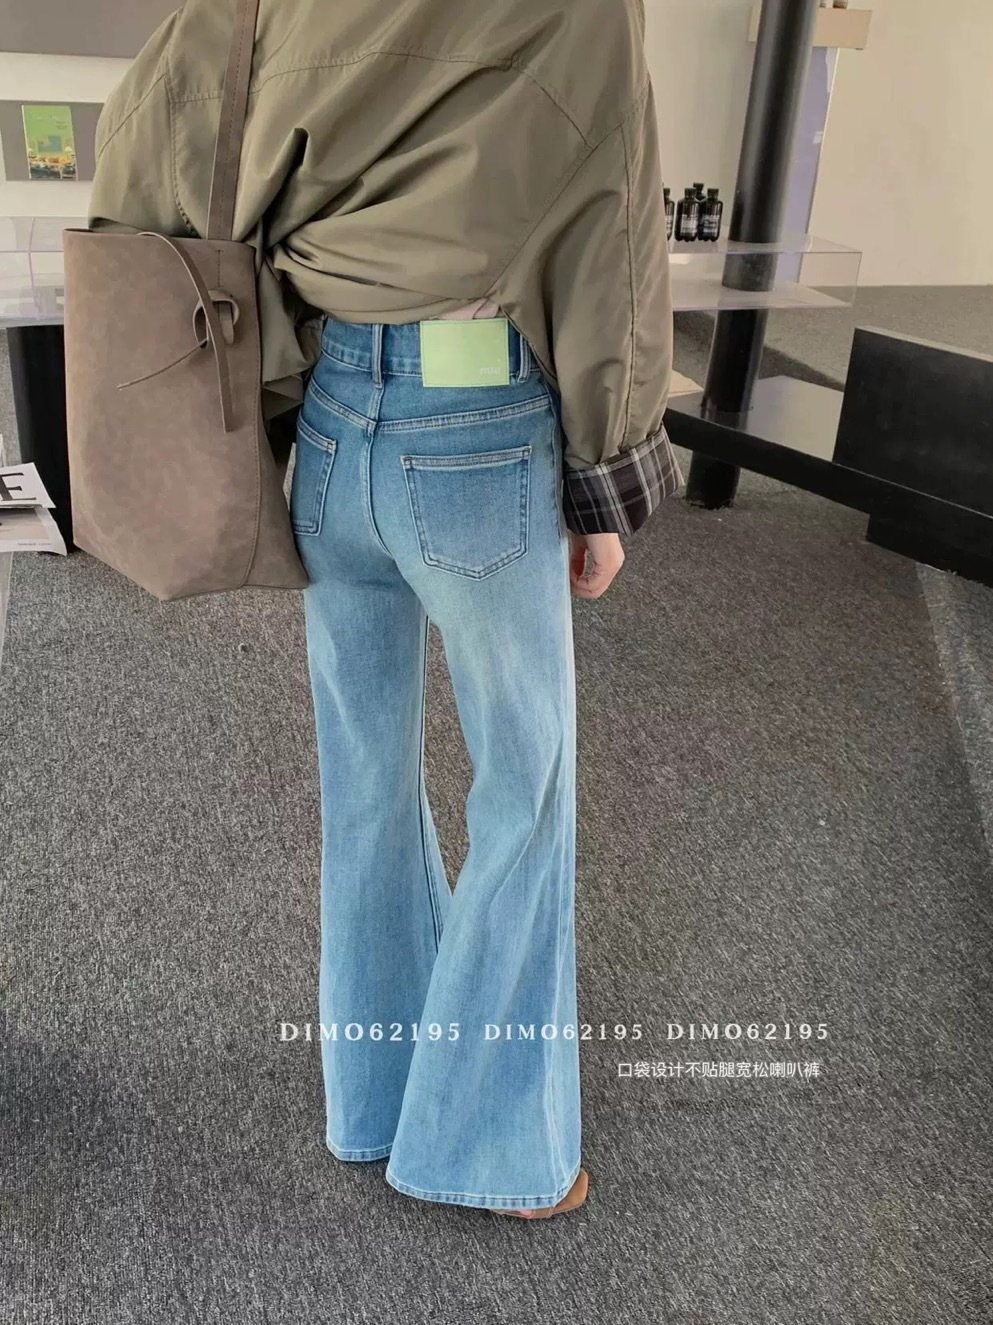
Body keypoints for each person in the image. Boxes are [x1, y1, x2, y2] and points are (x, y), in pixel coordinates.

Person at [88, 0, 682, 1219]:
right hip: (476, 425)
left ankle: (371, 1101)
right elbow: (612, 234)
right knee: (523, 791)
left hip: (332, 419)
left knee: (364, 780)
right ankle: (490, 1151)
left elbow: (150, 120)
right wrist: (608, 479)